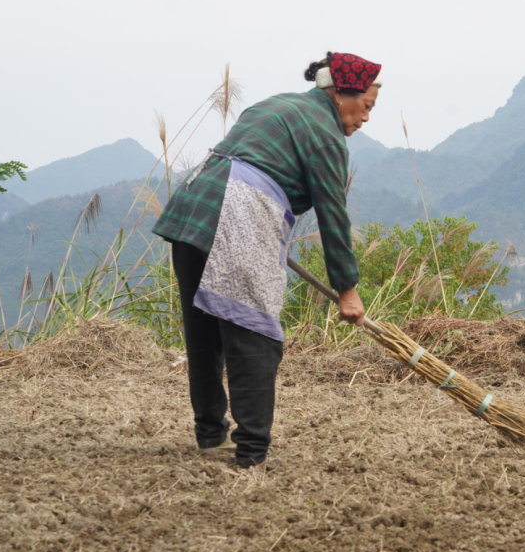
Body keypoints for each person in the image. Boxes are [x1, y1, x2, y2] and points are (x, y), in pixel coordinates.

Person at [152, 52, 381, 467]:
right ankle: (251, 450)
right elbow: (333, 214)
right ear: (341, 92)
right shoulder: (326, 134)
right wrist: (348, 290)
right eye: (366, 106)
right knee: (254, 336)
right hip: (240, 212)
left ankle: (210, 436)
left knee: (203, 332)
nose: (366, 118)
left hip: (194, 205)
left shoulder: (274, 104)